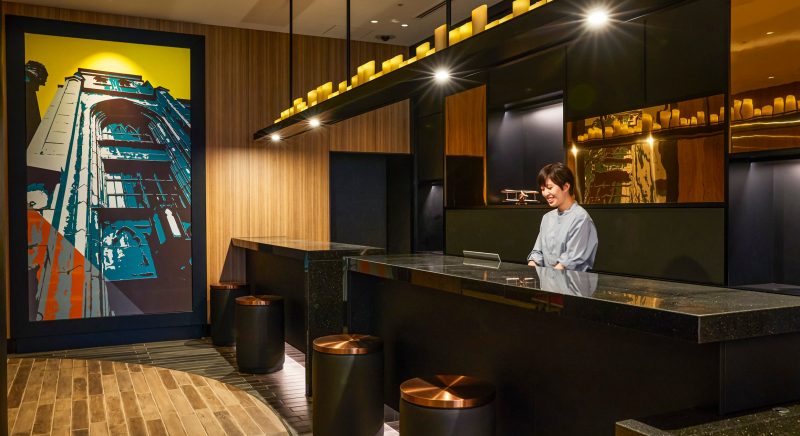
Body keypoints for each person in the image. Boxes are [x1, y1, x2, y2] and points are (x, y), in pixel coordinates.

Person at [527, 163, 598, 271]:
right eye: (543, 189)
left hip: (572, 280)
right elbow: (537, 253)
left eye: (549, 188)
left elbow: (569, 262)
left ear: (566, 187)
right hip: (548, 279)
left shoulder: (581, 218)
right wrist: (531, 268)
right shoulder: (547, 218)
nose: (545, 193)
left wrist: (549, 277)